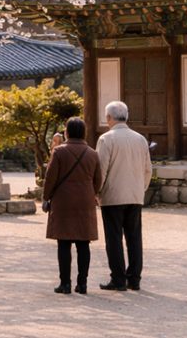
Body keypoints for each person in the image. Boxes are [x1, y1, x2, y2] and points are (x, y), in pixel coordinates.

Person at [95, 100, 152, 292]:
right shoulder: (140, 139)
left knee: (114, 238)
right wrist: (140, 188)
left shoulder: (106, 139)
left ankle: (118, 278)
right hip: (134, 195)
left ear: (109, 117)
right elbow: (147, 170)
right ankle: (134, 278)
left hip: (113, 195)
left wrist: (97, 191)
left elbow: (101, 170)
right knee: (134, 238)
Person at [42, 117, 103, 295]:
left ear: (66, 132)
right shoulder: (92, 153)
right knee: (84, 244)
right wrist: (90, 192)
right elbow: (98, 180)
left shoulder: (59, 152)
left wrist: (46, 198)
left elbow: (50, 177)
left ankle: (65, 284)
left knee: (64, 243)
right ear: (83, 132)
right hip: (85, 201)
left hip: (63, 201)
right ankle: (82, 284)